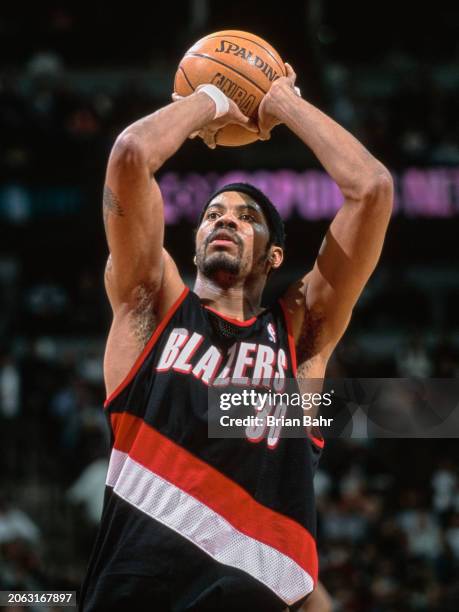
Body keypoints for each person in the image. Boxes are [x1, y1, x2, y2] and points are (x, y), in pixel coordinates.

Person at [78, 64, 393, 611]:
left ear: (274, 256)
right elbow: (131, 155)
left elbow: (372, 189)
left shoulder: (300, 338)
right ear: (196, 239)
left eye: (246, 216)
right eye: (212, 214)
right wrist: (211, 98)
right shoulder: (151, 307)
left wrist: (282, 103)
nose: (224, 220)